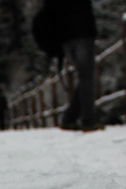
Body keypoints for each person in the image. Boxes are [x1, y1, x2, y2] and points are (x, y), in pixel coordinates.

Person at [34, 0, 99, 131]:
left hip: (66, 40)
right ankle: (88, 121)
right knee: (86, 78)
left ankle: (70, 118)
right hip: (82, 33)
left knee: (84, 78)